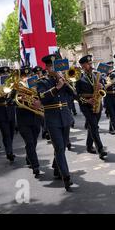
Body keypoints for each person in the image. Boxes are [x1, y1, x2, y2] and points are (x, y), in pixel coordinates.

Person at [37, 54, 75, 191]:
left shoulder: (63, 79)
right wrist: (57, 87)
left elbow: (74, 95)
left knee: (63, 146)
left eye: (55, 65)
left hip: (65, 117)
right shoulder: (42, 82)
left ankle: (57, 168)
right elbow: (42, 97)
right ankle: (66, 177)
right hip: (52, 119)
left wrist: (66, 83)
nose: (54, 68)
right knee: (59, 148)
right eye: (51, 66)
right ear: (47, 67)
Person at [76, 55, 108, 159]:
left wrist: (102, 86)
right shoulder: (78, 77)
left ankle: (89, 146)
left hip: (97, 102)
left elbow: (104, 85)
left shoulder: (96, 74)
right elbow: (76, 95)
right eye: (88, 64)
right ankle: (100, 149)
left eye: (91, 63)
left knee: (92, 126)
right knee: (94, 126)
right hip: (86, 105)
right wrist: (87, 101)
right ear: (83, 65)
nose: (91, 65)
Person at [15, 67, 43, 177]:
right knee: (30, 142)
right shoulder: (15, 88)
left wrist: (38, 100)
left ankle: (29, 157)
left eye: (28, 75)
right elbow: (8, 101)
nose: (25, 78)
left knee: (34, 141)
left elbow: (42, 97)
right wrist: (18, 99)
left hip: (36, 117)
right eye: (23, 76)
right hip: (23, 120)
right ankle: (35, 166)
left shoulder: (36, 85)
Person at [0, 66, 17, 162]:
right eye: (3, 74)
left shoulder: (12, 84)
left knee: (11, 133)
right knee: (6, 133)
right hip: (1, 111)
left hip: (11, 110)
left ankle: (9, 148)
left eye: (7, 73)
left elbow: (16, 95)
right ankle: (9, 152)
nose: (5, 75)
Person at [103, 61, 115, 137]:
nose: (110, 68)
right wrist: (110, 82)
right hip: (108, 96)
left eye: (111, 67)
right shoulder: (103, 75)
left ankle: (111, 128)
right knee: (112, 114)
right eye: (109, 67)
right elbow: (104, 87)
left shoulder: (114, 74)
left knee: (113, 114)